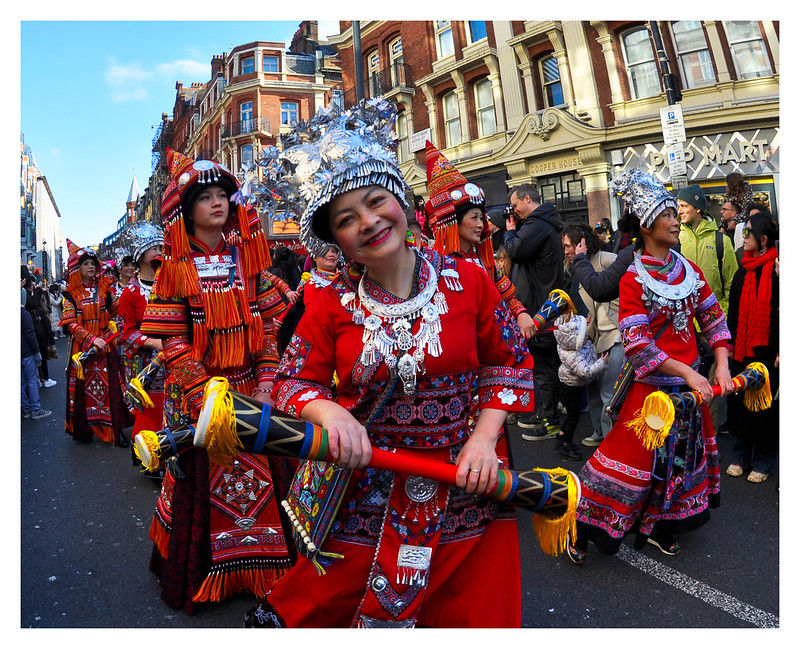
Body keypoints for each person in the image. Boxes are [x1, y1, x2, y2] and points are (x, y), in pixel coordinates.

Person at [246, 99, 536, 628]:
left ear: (400, 200)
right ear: (335, 241)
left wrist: (482, 440)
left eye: (377, 201)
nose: (369, 222)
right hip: (366, 487)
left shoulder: (470, 281)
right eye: (347, 220)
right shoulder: (328, 304)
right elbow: (292, 382)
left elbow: (509, 365)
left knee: (468, 615)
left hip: (465, 482)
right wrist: (330, 415)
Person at [139, 150, 294, 614]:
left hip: (251, 389)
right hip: (202, 396)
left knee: (266, 477)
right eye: (204, 197)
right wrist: (206, 392)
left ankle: (264, 569)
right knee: (206, 481)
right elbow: (171, 343)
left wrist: (267, 384)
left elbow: (267, 329)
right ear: (186, 211)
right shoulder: (174, 267)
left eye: (222, 194)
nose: (217, 202)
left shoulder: (248, 259)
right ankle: (209, 574)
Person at [567, 169, 733, 564]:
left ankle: (661, 528)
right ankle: (583, 527)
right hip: (651, 396)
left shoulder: (687, 270)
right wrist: (690, 373)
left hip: (688, 396)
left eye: (676, 213)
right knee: (627, 466)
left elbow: (714, 320)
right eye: (668, 214)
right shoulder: (632, 278)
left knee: (679, 464)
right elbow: (639, 347)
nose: (676, 220)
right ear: (646, 225)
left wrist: (722, 364)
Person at [423, 141, 535, 341]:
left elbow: (507, 295)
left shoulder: (484, 260)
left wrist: (521, 312)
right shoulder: (434, 264)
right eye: (473, 218)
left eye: (480, 218)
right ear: (453, 223)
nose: (481, 225)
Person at [503, 183, 564, 440]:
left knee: (543, 367)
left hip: (540, 304)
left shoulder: (537, 225)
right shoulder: (541, 223)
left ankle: (550, 420)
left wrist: (509, 232)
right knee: (543, 365)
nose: (514, 212)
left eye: (517, 206)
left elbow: (515, 250)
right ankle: (545, 412)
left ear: (528, 199)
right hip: (541, 300)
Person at [677, 184, 738, 436]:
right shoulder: (675, 238)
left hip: (712, 327)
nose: (679, 210)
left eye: (684, 205)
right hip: (683, 327)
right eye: (678, 206)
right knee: (685, 385)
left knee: (710, 389)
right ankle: (685, 437)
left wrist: (721, 317)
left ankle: (707, 439)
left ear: (698, 207)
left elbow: (732, 285)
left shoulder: (720, 241)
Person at [724, 214, 779, 483]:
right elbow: (733, 314)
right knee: (740, 405)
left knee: (765, 409)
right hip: (742, 350)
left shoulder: (779, 271)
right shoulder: (742, 271)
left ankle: (764, 460)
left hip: (768, 352)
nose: (743, 237)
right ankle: (740, 455)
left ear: (763, 239)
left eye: (747, 233)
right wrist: (730, 344)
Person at [60, 239, 128, 445]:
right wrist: (91, 339)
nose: (91, 267)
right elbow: (69, 323)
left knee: (114, 389)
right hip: (83, 352)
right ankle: (85, 429)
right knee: (83, 392)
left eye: (93, 263)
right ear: (76, 269)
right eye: (86, 264)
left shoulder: (104, 289)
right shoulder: (70, 295)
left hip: (106, 346)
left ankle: (116, 430)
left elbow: (120, 309)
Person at [562, 223, 624, 448]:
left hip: (616, 335)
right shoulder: (578, 267)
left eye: (569, 246)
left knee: (609, 393)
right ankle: (599, 432)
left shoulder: (607, 259)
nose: (566, 251)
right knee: (595, 392)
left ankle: (612, 446)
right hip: (596, 337)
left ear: (582, 244)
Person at [117, 222, 166, 442]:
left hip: (175, 355)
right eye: (154, 248)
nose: (159, 251)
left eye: (161, 247)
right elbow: (125, 333)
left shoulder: (170, 284)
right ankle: (152, 456)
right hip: (147, 361)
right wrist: (154, 343)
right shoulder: (130, 292)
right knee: (151, 408)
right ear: (141, 254)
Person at [552, 314, 608, 460]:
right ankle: (566, 444)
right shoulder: (573, 355)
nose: (587, 334)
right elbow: (584, 372)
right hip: (570, 388)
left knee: (572, 415)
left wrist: (584, 323)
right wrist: (602, 363)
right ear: (575, 339)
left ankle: (561, 436)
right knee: (573, 417)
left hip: (569, 385)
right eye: (584, 332)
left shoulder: (569, 344)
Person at [22, 284, 51, 420]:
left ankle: (26, 409)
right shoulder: (25, 314)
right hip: (27, 352)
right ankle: (35, 409)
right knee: (32, 381)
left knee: (21, 383)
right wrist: (36, 351)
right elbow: (30, 334)